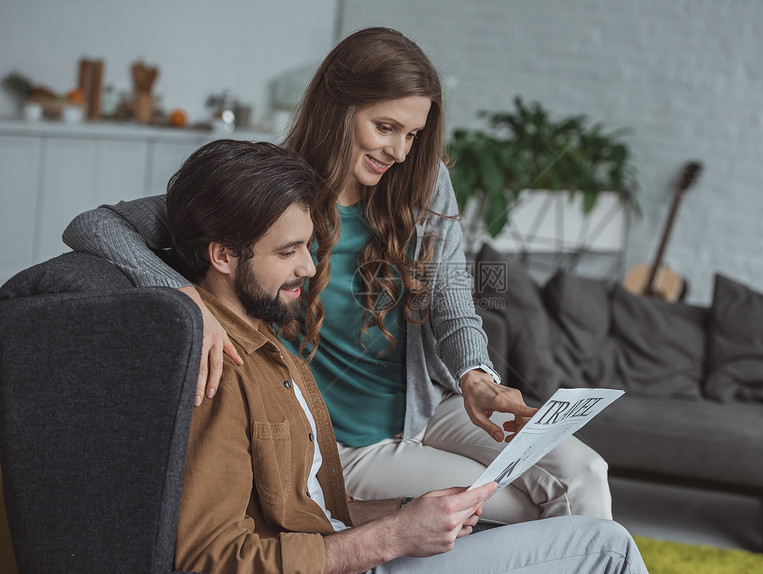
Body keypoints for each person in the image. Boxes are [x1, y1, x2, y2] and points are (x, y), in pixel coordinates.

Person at [63, 27, 612, 524]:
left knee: (585, 473)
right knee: (513, 510)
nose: (400, 152)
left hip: (429, 405)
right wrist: (186, 299)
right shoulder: (265, 189)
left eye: (413, 134)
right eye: (386, 127)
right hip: (344, 444)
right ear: (337, 109)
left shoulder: (423, 185)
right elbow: (93, 225)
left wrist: (474, 373)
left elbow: (451, 296)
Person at [167, 138, 648, 574]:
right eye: (290, 250)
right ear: (224, 256)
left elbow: (304, 508)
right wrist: (392, 536)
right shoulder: (217, 372)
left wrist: (400, 514)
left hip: (364, 526)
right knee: (609, 547)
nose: (312, 267)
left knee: (574, 488)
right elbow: (211, 559)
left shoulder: (275, 348)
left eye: (415, 134)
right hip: (355, 551)